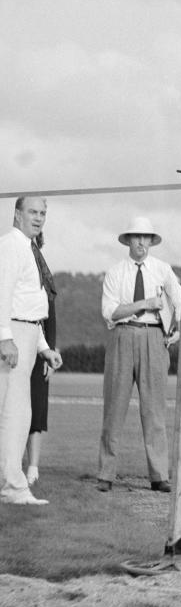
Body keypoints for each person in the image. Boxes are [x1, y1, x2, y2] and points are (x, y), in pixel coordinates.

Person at [96, 217, 181, 493]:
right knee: (114, 408)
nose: (141, 242)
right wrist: (144, 303)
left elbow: (180, 303)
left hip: (154, 338)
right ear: (128, 240)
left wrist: (177, 328)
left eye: (146, 237)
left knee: (155, 410)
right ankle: (106, 474)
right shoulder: (115, 272)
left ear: (151, 241)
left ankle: (159, 476)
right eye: (136, 237)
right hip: (122, 337)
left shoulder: (163, 270)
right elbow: (110, 312)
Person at [0, 196, 63, 505]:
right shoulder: (11, 245)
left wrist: (43, 347)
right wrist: (4, 338)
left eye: (43, 213)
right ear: (17, 214)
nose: (38, 218)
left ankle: (13, 485)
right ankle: (12, 486)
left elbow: (32, 304)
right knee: (10, 413)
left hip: (26, 331)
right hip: (11, 332)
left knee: (19, 413)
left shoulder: (30, 249)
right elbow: (3, 292)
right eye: (32, 212)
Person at [24, 231, 58, 486]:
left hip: (40, 351)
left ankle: (33, 467)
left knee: (37, 410)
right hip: (16, 344)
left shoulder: (47, 280)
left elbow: (51, 322)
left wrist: (49, 354)